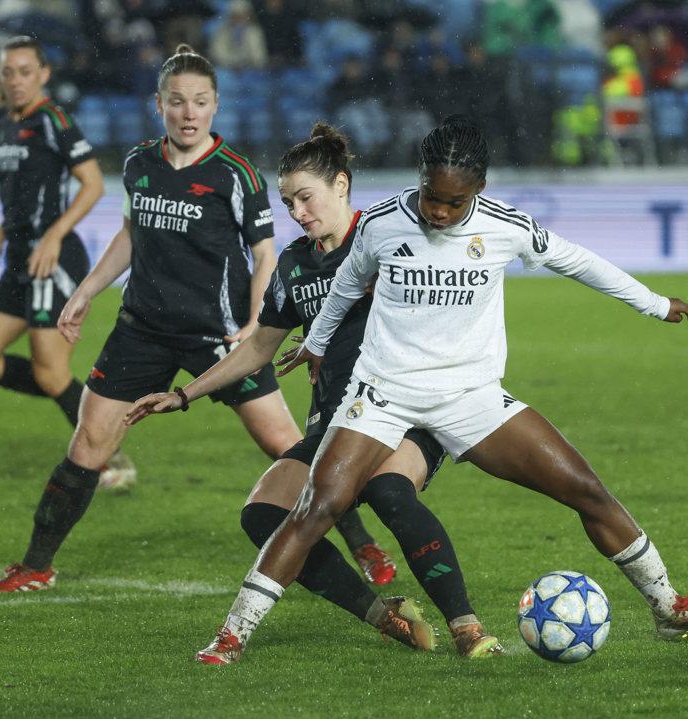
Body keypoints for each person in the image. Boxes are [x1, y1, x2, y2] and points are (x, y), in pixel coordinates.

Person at [179, 116, 688, 664]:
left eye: (455, 202)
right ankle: (231, 636)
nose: (440, 211)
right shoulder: (383, 223)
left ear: (478, 189)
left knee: (585, 489)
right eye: (432, 197)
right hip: (384, 393)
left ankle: (667, 606)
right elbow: (347, 284)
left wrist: (655, 304)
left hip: (470, 396)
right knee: (315, 507)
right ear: (421, 179)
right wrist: (318, 342)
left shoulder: (505, 225)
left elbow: (576, 261)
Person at [0, 45, 394, 594]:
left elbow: (264, 255)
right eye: (177, 101)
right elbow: (130, 236)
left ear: (215, 105)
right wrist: (86, 290)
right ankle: (36, 565)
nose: (188, 112)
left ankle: (363, 544)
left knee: (286, 445)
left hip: (218, 336)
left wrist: (254, 322)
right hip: (141, 332)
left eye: (200, 101)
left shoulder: (235, 174)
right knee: (88, 444)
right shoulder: (139, 164)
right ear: (160, 106)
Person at [125, 123, 501, 659]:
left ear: (341, 184)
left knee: (388, 491)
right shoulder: (295, 264)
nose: (297, 212)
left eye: (306, 197)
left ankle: (467, 629)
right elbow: (259, 347)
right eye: (288, 203)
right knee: (261, 513)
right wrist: (185, 394)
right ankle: (383, 615)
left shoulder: (391, 236)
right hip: (334, 422)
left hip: (406, 413)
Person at [0, 36, 134, 484]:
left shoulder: (53, 120)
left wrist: (54, 235)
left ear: (43, 74)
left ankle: (109, 455)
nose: (16, 80)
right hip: (19, 260)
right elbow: (21, 198)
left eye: (25, 71)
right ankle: (93, 413)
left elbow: (93, 184)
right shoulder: (8, 123)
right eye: (8, 72)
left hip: (52, 260)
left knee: (51, 371)